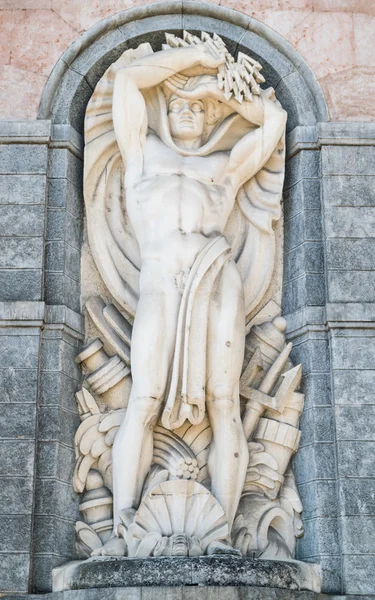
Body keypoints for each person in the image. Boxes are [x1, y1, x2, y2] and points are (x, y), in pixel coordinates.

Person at [94, 39, 286, 554]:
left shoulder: (224, 167)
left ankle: (219, 528)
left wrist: (215, 89)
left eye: (198, 108)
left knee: (226, 402)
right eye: (179, 103)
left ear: (209, 117)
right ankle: (124, 521)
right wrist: (198, 63)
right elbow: (130, 81)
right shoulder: (141, 154)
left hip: (216, 275)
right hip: (160, 279)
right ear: (164, 111)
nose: (189, 111)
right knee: (145, 395)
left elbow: (273, 122)